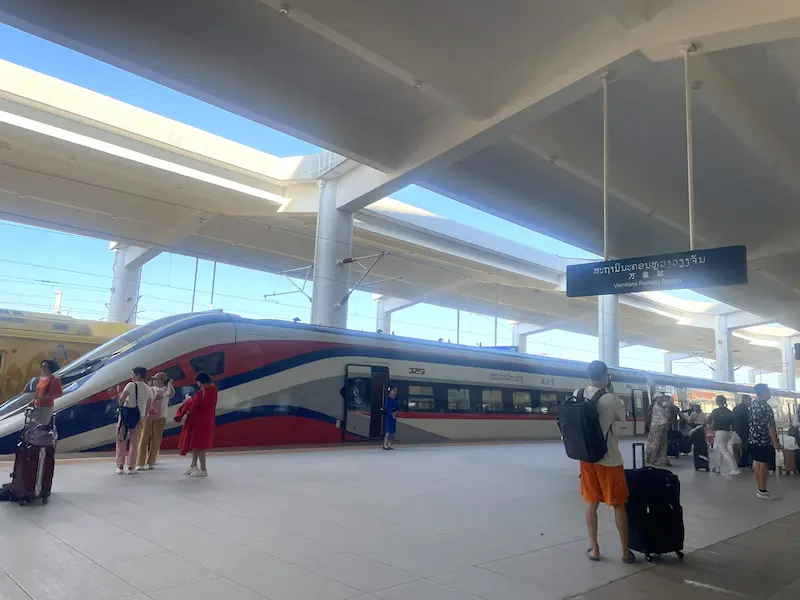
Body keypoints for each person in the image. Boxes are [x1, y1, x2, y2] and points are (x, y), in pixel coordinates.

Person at [578, 361, 634, 564]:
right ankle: (625, 553)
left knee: (591, 504)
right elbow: (623, 419)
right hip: (609, 460)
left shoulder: (578, 393)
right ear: (606, 376)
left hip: (587, 459)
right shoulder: (611, 398)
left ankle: (595, 549)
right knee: (618, 505)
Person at [174, 371, 218, 477]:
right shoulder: (208, 390)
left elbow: (201, 406)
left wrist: (189, 401)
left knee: (200, 445)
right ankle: (194, 465)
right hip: (200, 421)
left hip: (202, 422)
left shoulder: (208, 391)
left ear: (200, 381)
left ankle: (203, 469)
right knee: (195, 444)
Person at [113, 367, 151, 475]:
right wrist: (144, 415)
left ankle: (120, 466)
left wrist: (119, 406)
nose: (131, 376)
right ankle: (131, 466)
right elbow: (149, 404)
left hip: (126, 415)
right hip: (140, 417)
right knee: (134, 442)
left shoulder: (130, 385)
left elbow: (122, 399)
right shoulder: (148, 388)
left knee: (121, 439)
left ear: (138, 375)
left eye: (133, 374)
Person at [748, 384, 781, 499]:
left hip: (753, 439)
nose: (770, 393)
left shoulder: (753, 404)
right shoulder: (766, 408)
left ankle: (759, 489)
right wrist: (775, 441)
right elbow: (770, 427)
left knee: (757, 464)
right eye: (768, 391)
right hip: (764, 441)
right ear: (762, 393)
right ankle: (762, 490)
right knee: (764, 465)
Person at [135, 372, 174, 471]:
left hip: (161, 417)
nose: (154, 381)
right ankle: (140, 462)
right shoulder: (150, 389)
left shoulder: (166, 390)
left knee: (155, 440)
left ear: (162, 380)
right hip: (148, 417)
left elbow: (170, 393)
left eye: (156, 379)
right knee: (143, 439)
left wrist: (169, 384)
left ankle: (151, 462)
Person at [707, 395, 740, 475]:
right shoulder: (729, 411)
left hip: (719, 432)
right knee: (719, 450)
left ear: (717, 402)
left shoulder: (715, 411)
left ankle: (735, 468)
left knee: (724, 450)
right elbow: (734, 421)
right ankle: (717, 468)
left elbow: (708, 420)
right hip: (728, 432)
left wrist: (712, 427)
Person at [644, 394, 672, 466]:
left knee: (662, 443)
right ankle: (652, 458)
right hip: (657, 427)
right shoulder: (657, 407)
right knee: (656, 443)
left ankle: (659, 459)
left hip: (660, 427)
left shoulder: (661, 407)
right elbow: (663, 418)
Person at [33, 359, 62, 425]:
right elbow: (38, 391)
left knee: (43, 424)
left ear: (49, 367)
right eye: (41, 366)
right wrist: (33, 400)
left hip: (46, 406)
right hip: (37, 404)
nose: (42, 368)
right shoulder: (41, 379)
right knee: (35, 423)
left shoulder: (55, 379)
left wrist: (46, 398)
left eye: (44, 366)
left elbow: (60, 394)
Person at [733, 394, 752, 468]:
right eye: (749, 400)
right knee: (745, 446)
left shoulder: (736, 408)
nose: (750, 402)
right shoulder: (745, 410)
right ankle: (745, 462)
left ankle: (739, 462)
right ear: (745, 400)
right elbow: (747, 420)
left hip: (736, 430)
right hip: (744, 430)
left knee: (737, 447)